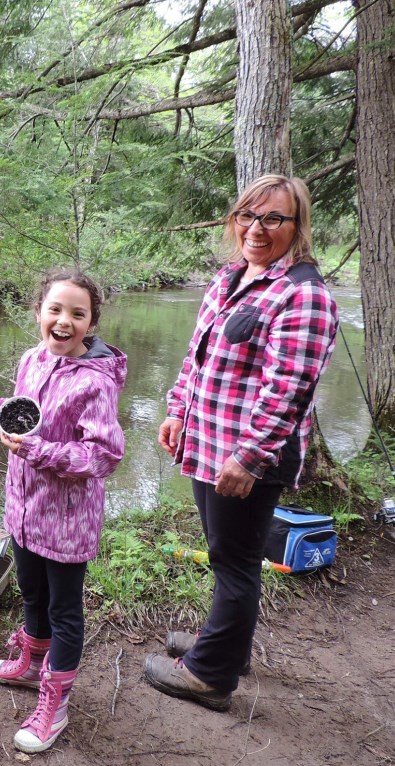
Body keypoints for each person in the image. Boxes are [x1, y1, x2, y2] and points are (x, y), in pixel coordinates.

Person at [143, 174, 338, 711]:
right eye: (247, 216)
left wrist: (248, 457)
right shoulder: (231, 277)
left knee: (235, 562)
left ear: (296, 226)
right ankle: (226, 645)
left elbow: (288, 392)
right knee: (227, 555)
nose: (257, 228)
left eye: (273, 218)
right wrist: (177, 410)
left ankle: (210, 676)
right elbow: (198, 355)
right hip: (208, 442)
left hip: (248, 456)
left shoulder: (303, 293)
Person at [0, 269, 126, 753]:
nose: (64, 321)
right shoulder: (31, 360)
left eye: (77, 314)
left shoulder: (96, 383)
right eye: (55, 310)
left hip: (66, 521)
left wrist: (38, 451)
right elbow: (25, 421)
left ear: (91, 322)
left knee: (64, 610)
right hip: (23, 509)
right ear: (38, 313)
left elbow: (103, 457)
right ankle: (31, 663)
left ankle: (54, 703)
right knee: (30, 593)